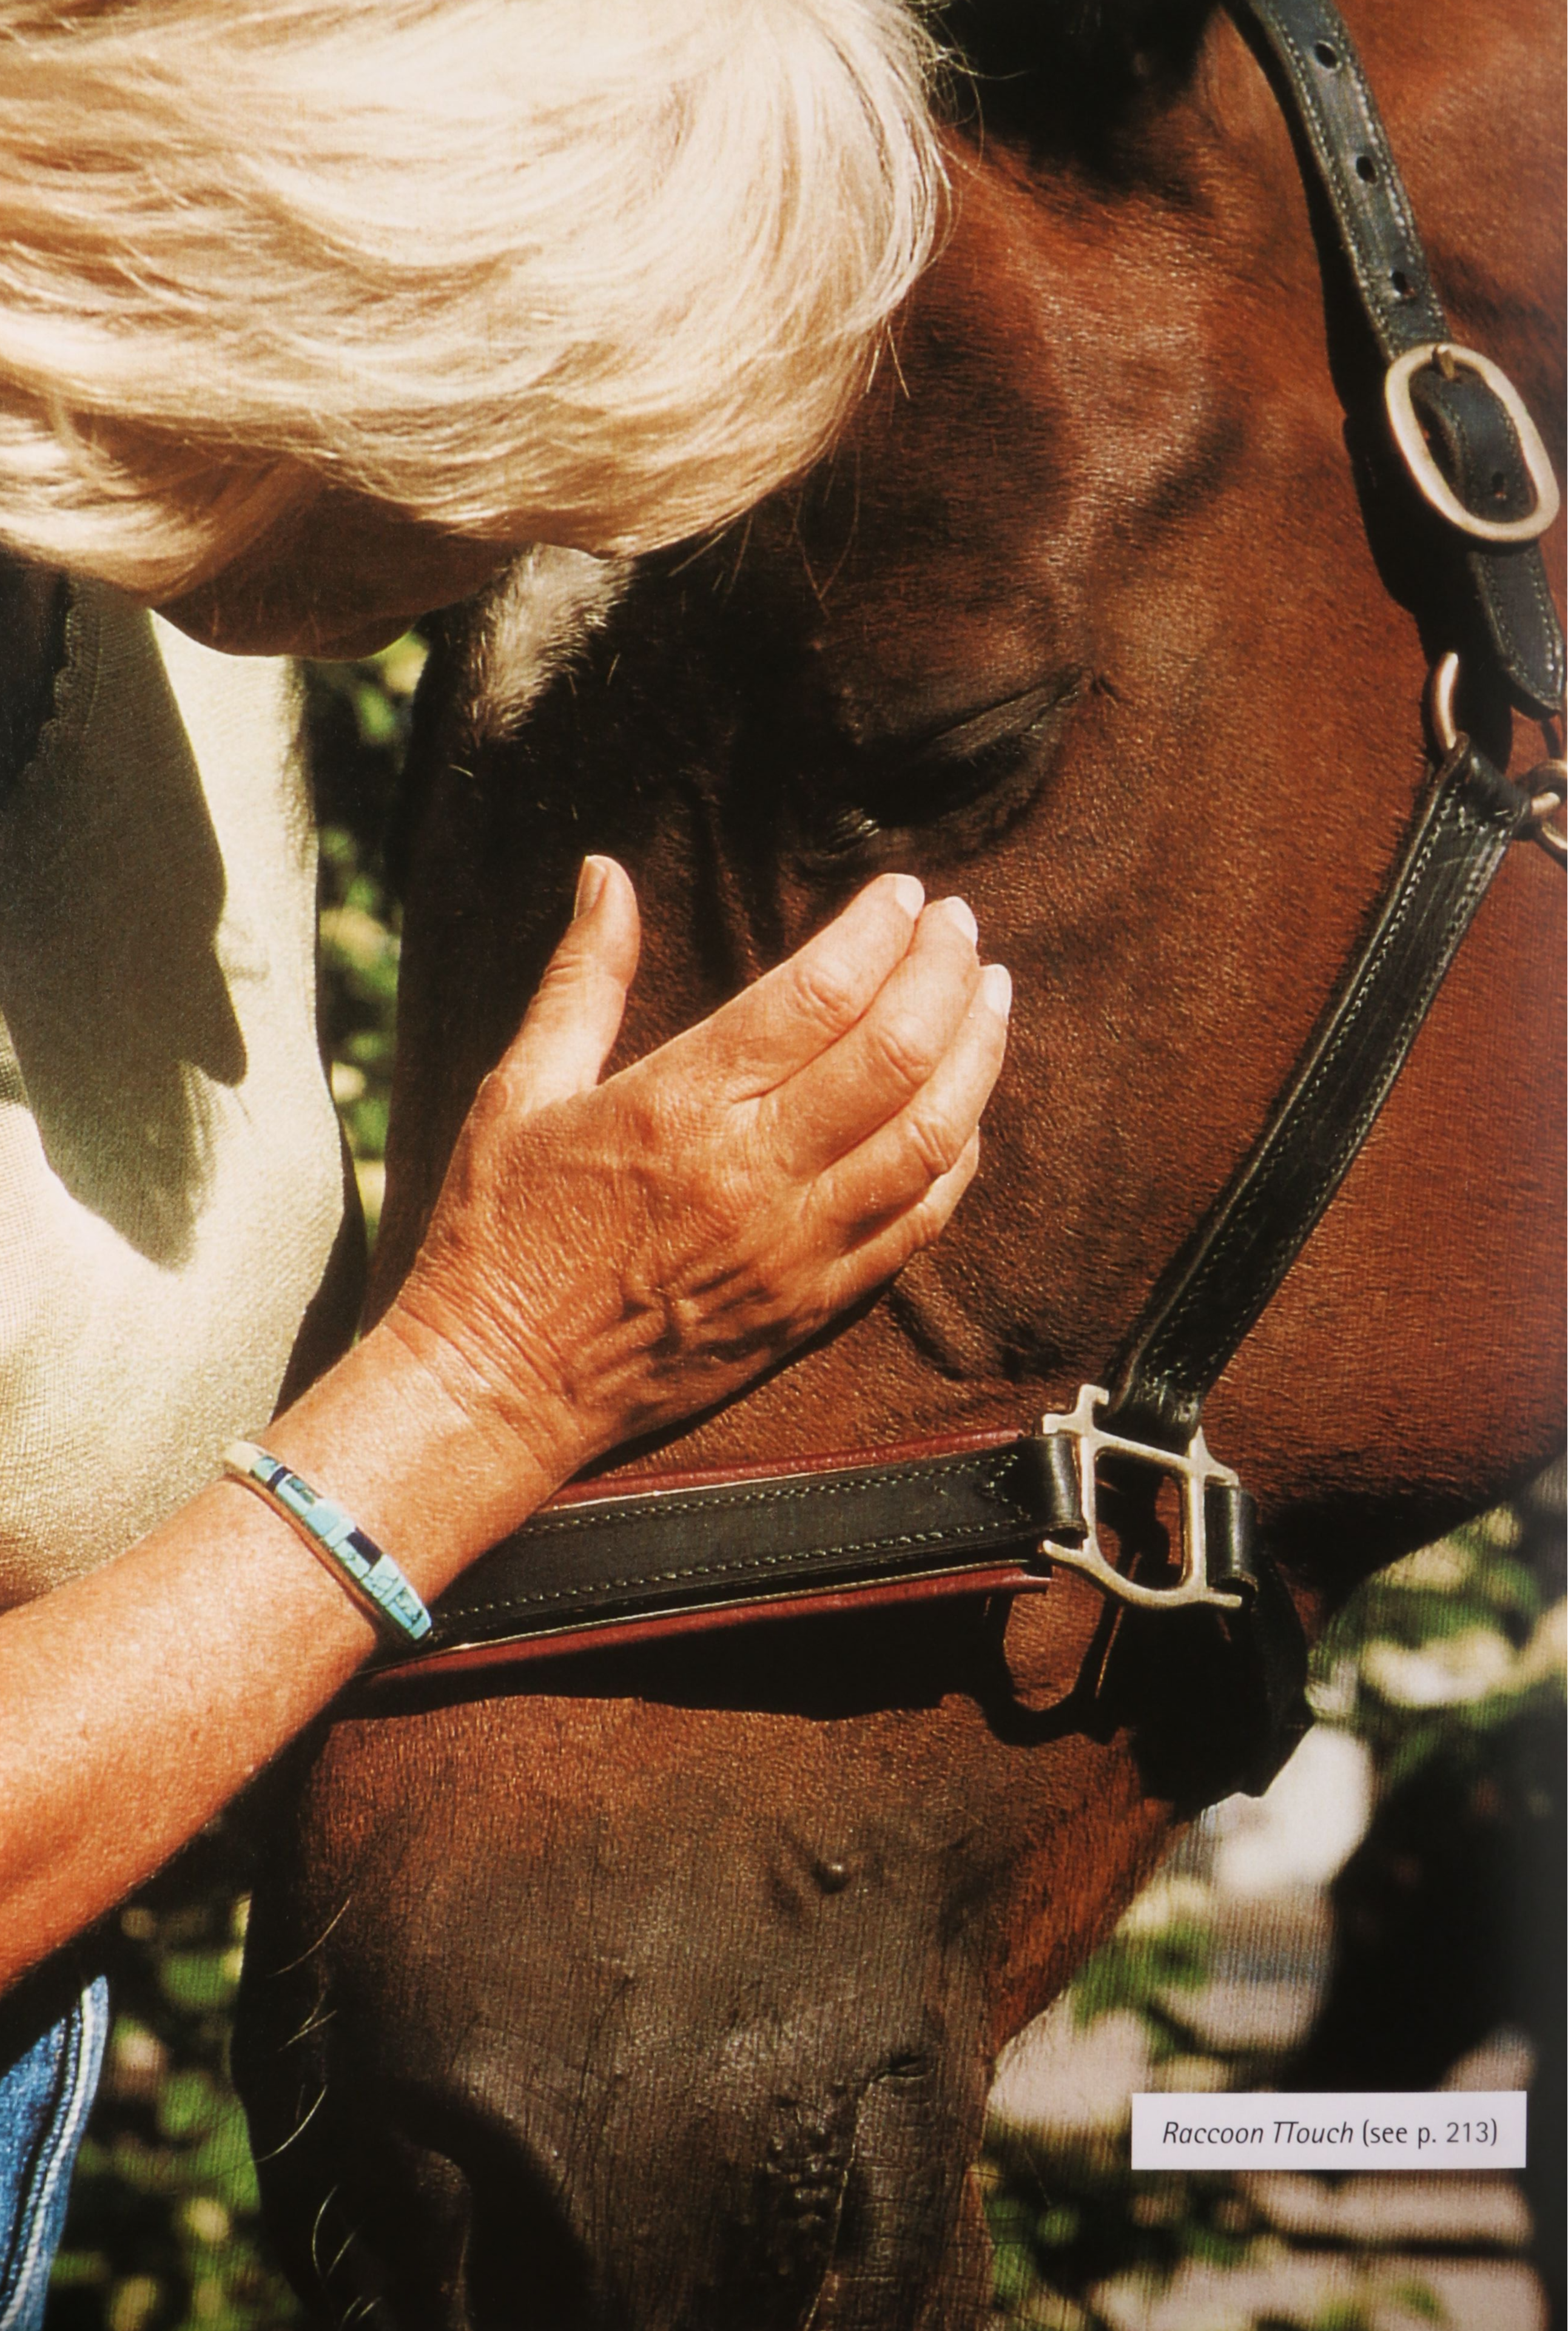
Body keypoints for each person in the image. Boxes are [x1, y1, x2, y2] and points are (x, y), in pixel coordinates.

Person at [0, 1, 1011, 2321]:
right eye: (487, 471)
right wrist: (485, 1385)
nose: (469, 569)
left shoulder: (117, 463)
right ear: (268, 265)